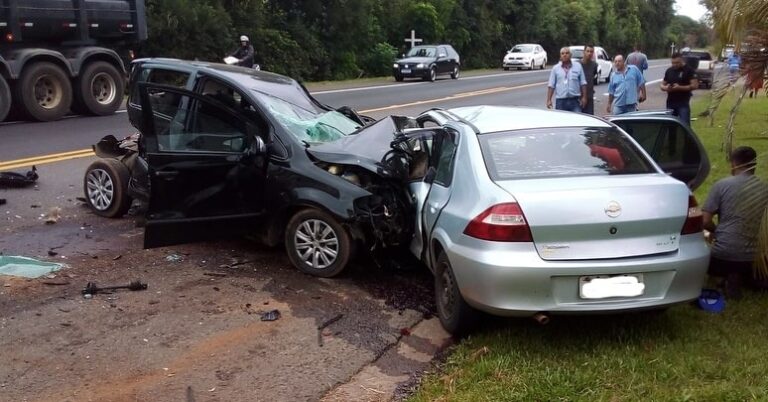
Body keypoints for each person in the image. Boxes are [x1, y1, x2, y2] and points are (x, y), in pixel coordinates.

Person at [703, 146, 768, 298]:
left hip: (723, 257)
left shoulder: (722, 185)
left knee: (702, 243)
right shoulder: (765, 189)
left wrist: (716, 231)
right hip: (756, 261)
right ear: (754, 164)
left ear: (733, 164)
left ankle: (729, 276)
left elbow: (704, 221)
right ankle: (748, 278)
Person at [661, 53, 698, 126]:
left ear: (682, 60)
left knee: (685, 124)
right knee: (670, 125)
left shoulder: (689, 70)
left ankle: (686, 137)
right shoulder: (669, 70)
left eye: (677, 63)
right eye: (673, 63)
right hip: (670, 102)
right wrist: (666, 88)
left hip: (683, 103)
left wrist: (679, 87)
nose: (674, 65)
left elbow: (695, 85)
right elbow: (662, 85)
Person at [546, 47, 587, 113]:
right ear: (560, 56)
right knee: (562, 122)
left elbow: (583, 83)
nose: (565, 55)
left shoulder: (578, 66)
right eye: (562, 53)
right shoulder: (555, 68)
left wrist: (584, 97)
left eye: (567, 53)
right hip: (561, 101)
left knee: (577, 121)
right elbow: (551, 85)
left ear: (570, 55)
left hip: (575, 100)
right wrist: (549, 100)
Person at [579, 45, 598, 115]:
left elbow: (594, 76)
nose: (589, 53)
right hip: (578, 97)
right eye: (588, 51)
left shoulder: (594, 65)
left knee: (590, 117)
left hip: (589, 96)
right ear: (584, 52)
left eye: (591, 52)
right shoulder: (577, 65)